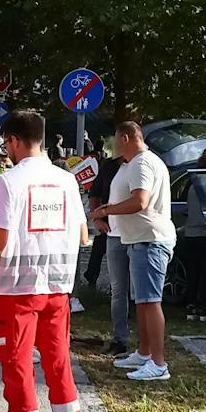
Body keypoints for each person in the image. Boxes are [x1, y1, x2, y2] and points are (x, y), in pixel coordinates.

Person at [0, 109, 87, 412]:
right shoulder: (67, 181)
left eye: (6, 142)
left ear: (15, 140)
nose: (6, 149)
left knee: (18, 369)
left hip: (16, 290)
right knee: (59, 366)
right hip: (57, 288)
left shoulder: (8, 182)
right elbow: (83, 235)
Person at [92, 121, 176, 381]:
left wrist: (106, 210)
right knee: (142, 301)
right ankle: (143, 352)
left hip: (150, 240)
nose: (113, 146)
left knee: (150, 302)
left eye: (116, 140)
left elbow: (140, 201)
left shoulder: (142, 163)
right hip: (139, 239)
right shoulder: (133, 163)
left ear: (127, 138)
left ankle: (159, 364)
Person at [86, 144, 127, 353]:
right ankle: (120, 338)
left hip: (138, 234)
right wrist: (98, 218)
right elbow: (94, 194)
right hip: (113, 232)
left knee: (140, 293)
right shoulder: (109, 167)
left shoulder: (144, 164)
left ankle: (144, 342)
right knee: (118, 288)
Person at [180, 172, 206, 323]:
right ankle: (205, 308)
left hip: (191, 233)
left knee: (193, 272)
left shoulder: (192, 188)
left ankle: (191, 307)